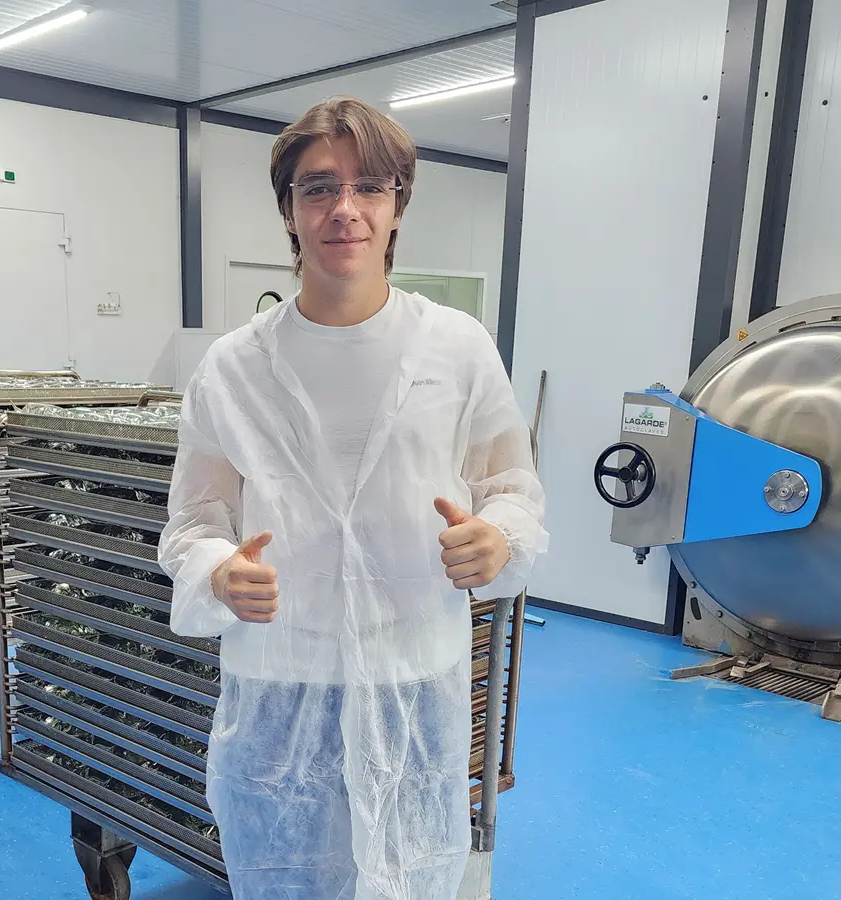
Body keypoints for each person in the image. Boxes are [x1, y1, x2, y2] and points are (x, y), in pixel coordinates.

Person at [157, 97, 548, 900]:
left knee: (412, 874)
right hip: (281, 685)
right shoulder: (232, 369)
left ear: (397, 205)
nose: (345, 208)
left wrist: (499, 538)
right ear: (289, 210)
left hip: (414, 679)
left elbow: (513, 488)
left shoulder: (457, 350)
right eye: (318, 188)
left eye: (369, 186)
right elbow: (193, 521)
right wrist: (219, 571)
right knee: (286, 877)